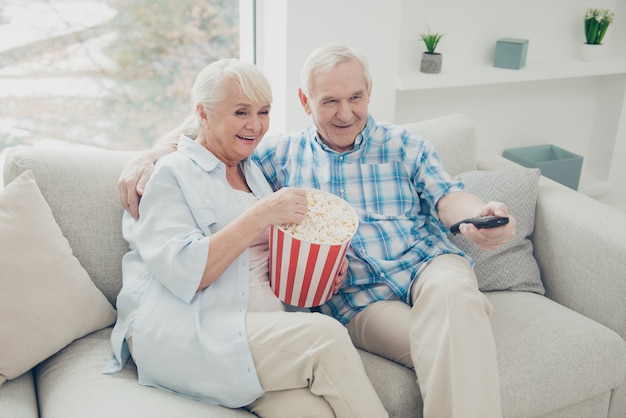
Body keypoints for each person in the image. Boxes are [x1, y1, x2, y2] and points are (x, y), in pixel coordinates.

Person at [118, 44, 516, 418]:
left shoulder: (403, 145)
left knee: (455, 299)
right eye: (330, 101)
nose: (345, 113)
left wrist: (477, 214)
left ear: (369, 93)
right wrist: (151, 154)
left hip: (426, 266)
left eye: (355, 98)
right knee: (452, 343)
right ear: (305, 102)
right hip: (361, 302)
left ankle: (460, 324)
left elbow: (448, 197)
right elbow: (206, 147)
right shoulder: (276, 158)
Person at [105, 58, 389, 418]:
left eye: (264, 111)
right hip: (195, 333)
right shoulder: (171, 174)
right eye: (240, 112)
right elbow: (187, 273)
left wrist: (321, 275)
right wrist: (263, 213)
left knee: (311, 411)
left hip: (258, 338)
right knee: (326, 335)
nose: (255, 125)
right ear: (204, 114)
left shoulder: (253, 170)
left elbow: (265, 264)